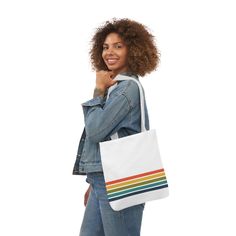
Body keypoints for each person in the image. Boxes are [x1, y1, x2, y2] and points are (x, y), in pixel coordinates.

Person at [72, 18, 160, 236]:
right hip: (103, 179)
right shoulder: (116, 87)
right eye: (105, 47)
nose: (109, 52)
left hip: (119, 182)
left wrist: (98, 90)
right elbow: (106, 141)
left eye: (118, 46)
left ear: (134, 50)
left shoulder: (126, 90)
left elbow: (96, 131)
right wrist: (93, 182)